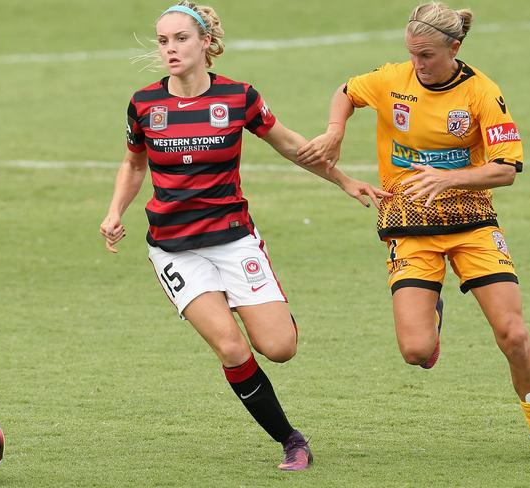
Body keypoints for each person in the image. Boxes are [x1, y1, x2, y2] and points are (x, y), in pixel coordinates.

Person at [99, 1, 389, 471]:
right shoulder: (145, 104)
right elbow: (134, 164)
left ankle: (258, 302)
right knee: (232, 348)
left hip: (233, 240)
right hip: (174, 249)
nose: (170, 49)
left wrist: (345, 180)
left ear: (206, 43)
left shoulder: (238, 97)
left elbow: (292, 145)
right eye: (163, 41)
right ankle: (291, 440)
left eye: (181, 39)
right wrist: (114, 211)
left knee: (279, 348)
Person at [297, 1, 530, 465]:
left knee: (514, 335)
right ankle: (433, 313)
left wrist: (451, 177)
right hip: (408, 222)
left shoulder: (482, 93)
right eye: (412, 54)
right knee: (416, 350)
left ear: (455, 47)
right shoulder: (392, 79)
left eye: (426, 55)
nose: (417, 65)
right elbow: (346, 90)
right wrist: (335, 129)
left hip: (472, 223)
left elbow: (505, 170)